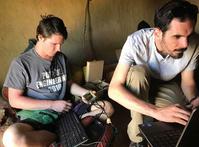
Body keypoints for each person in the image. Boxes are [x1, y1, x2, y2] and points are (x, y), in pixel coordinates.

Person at [2, 15, 114, 147]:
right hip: (37, 115)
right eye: (54, 44)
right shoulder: (21, 63)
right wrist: (52, 104)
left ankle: (70, 128)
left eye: (61, 44)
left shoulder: (61, 58)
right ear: (40, 37)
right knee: (11, 139)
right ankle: (60, 134)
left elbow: (68, 84)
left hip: (66, 110)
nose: (59, 49)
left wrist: (85, 92)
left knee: (107, 107)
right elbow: (14, 100)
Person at [108, 0, 199, 147]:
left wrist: (194, 100)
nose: (185, 44)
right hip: (139, 81)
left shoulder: (194, 43)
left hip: (166, 83)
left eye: (189, 35)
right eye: (177, 36)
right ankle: (137, 138)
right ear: (157, 33)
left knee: (181, 116)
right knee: (138, 72)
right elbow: (114, 89)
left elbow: (188, 82)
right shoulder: (135, 42)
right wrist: (156, 111)